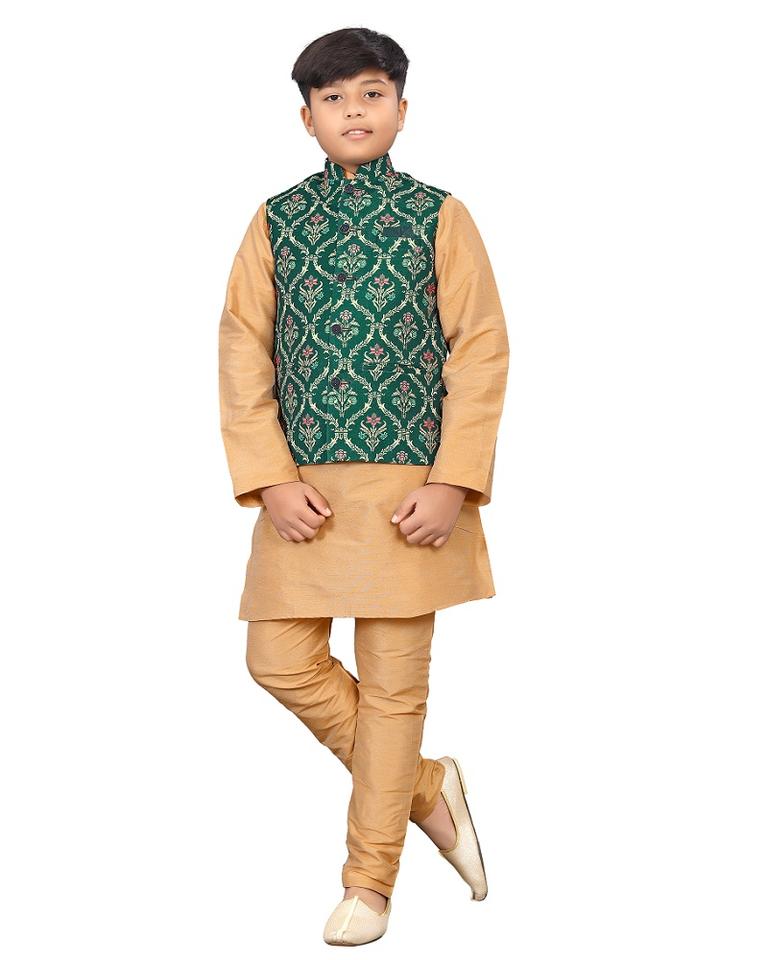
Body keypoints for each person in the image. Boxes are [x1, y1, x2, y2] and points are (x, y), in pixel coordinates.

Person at [218, 26, 509, 946]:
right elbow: (242, 352)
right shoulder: (276, 221)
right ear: (306, 118)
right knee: (277, 660)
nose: (355, 111)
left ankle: (369, 885)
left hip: (409, 499)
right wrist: (268, 478)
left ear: (403, 110)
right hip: (301, 497)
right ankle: (426, 786)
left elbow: (481, 350)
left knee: (392, 694)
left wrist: (453, 482)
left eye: (372, 94)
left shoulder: (440, 216)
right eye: (334, 98)